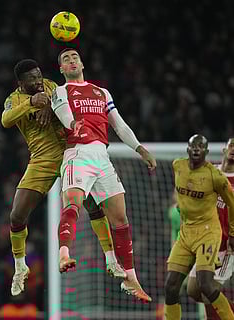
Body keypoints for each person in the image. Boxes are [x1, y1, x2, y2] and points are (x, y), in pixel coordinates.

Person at [1, 59, 124, 296]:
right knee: (17, 215)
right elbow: (5, 120)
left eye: (38, 76)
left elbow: (65, 101)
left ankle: (111, 260)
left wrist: (49, 106)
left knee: (93, 206)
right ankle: (20, 268)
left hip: (70, 151)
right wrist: (31, 103)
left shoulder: (49, 86)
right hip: (42, 159)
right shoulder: (14, 99)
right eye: (32, 79)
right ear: (20, 83)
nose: (38, 81)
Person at [50, 48, 156, 302]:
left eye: (75, 56)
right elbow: (64, 113)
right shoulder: (60, 91)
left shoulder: (101, 92)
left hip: (102, 157)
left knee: (120, 219)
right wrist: (72, 123)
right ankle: (64, 253)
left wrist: (140, 148)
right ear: (61, 69)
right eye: (66, 59)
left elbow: (118, 124)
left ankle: (130, 278)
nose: (71, 60)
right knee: (72, 204)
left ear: (82, 63)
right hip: (78, 154)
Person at [164, 134, 234, 320]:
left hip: (208, 232)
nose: (196, 149)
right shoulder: (178, 166)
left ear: (206, 152)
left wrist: (233, 234)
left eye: (201, 147)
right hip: (186, 233)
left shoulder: (216, 176)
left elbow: (232, 204)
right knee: (171, 286)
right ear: (188, 149)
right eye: (193, 146)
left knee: (205, 284)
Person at [186, 136, 234, 320]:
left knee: (209, 289)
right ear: (224, 150)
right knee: (193, 290)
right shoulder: (208, 172)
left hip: (228, 248)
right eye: (231, 145)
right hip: (207, 244)